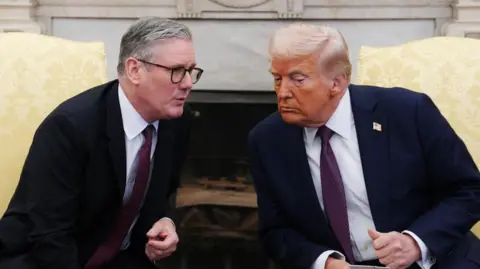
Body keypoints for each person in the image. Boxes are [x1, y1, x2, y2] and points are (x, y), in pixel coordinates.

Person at [248, 23, 480, 269]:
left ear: (336, 83)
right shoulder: (267, 140)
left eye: (298, 79)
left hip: (436, 261)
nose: (282, 92)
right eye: (277, 78)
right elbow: (275, 231)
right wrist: (323, 262)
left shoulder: (407, 112)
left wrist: (415, 242)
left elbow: (469, 190)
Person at [0, 17, 203, 269]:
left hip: (121, 258)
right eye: (176, 71)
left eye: (191, 71)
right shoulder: (70, 127)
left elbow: (165, 193)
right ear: (134, 70)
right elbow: (49, 235)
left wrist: (166, 221)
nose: (187, 83)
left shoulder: (177, 122)